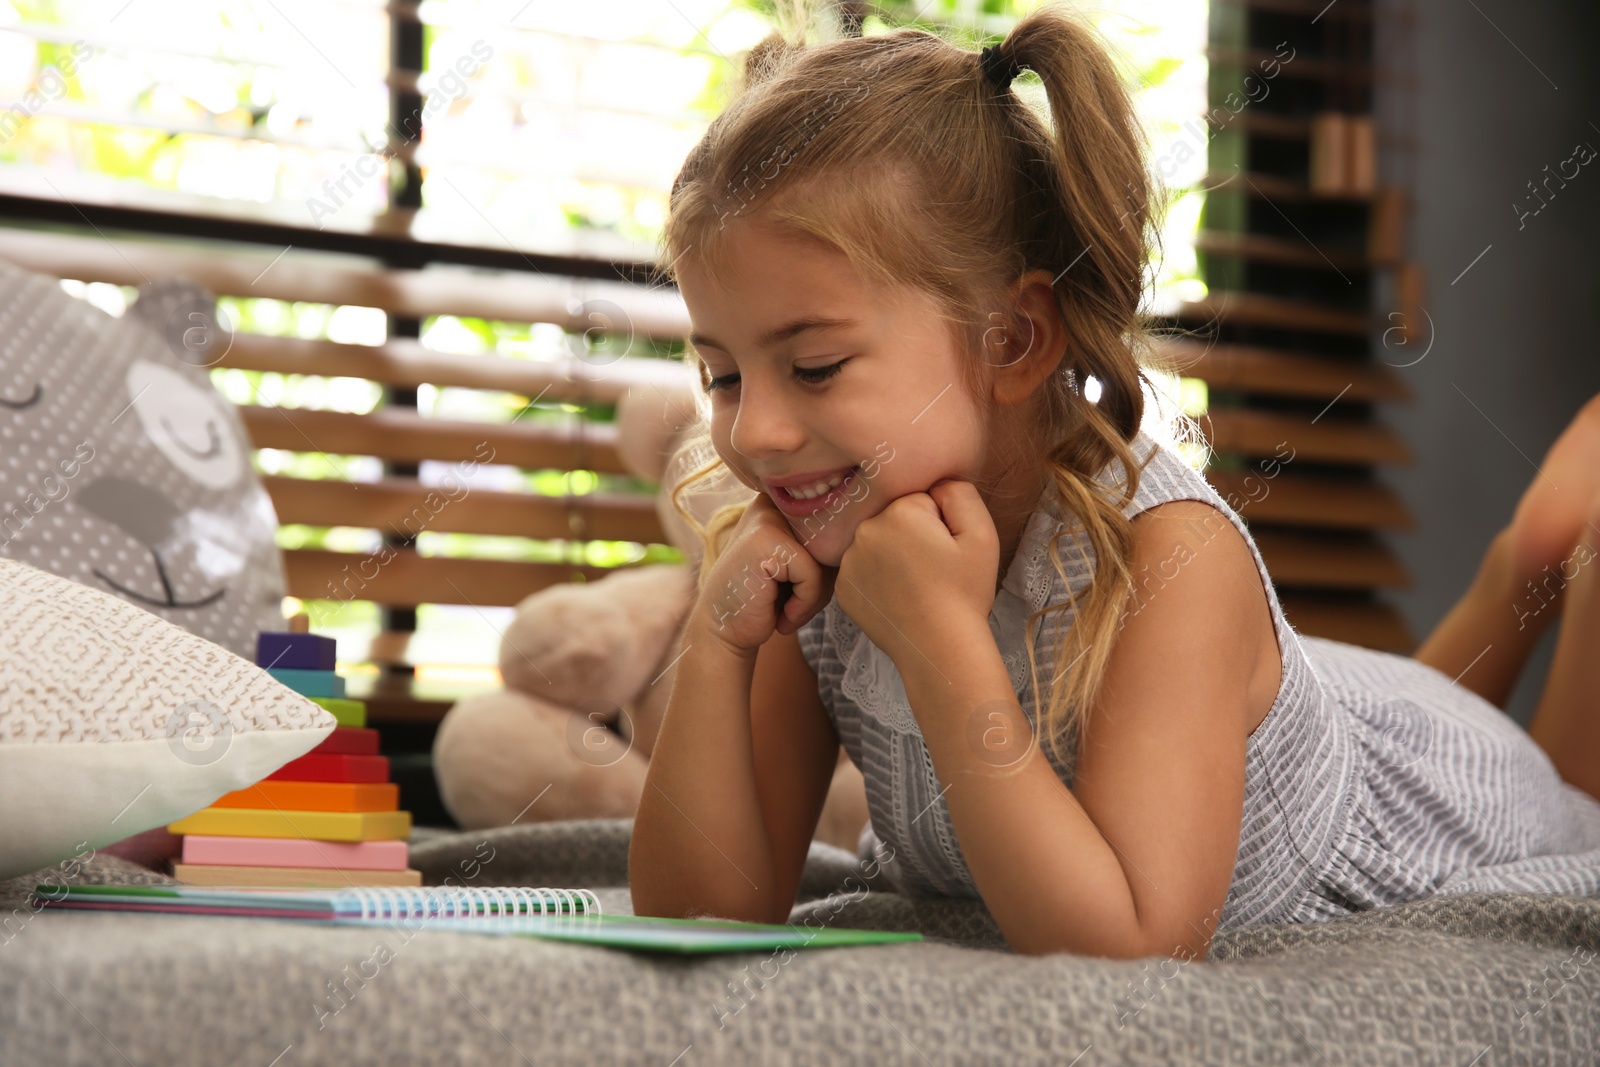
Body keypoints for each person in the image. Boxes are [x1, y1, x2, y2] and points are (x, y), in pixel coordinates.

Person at [627, 3, 1600, 960]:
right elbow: (698, 911)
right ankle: (1525, 570)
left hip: (1440, 795)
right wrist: (718, 639)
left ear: (1011, 341)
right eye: (719, 374)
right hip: (1311, 703)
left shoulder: (1169, 555)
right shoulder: (838, 552)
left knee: (1580, 807)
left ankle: (1541, 564)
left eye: (814, 367)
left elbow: (1131, 947)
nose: (754, 428)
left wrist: (940, 641)